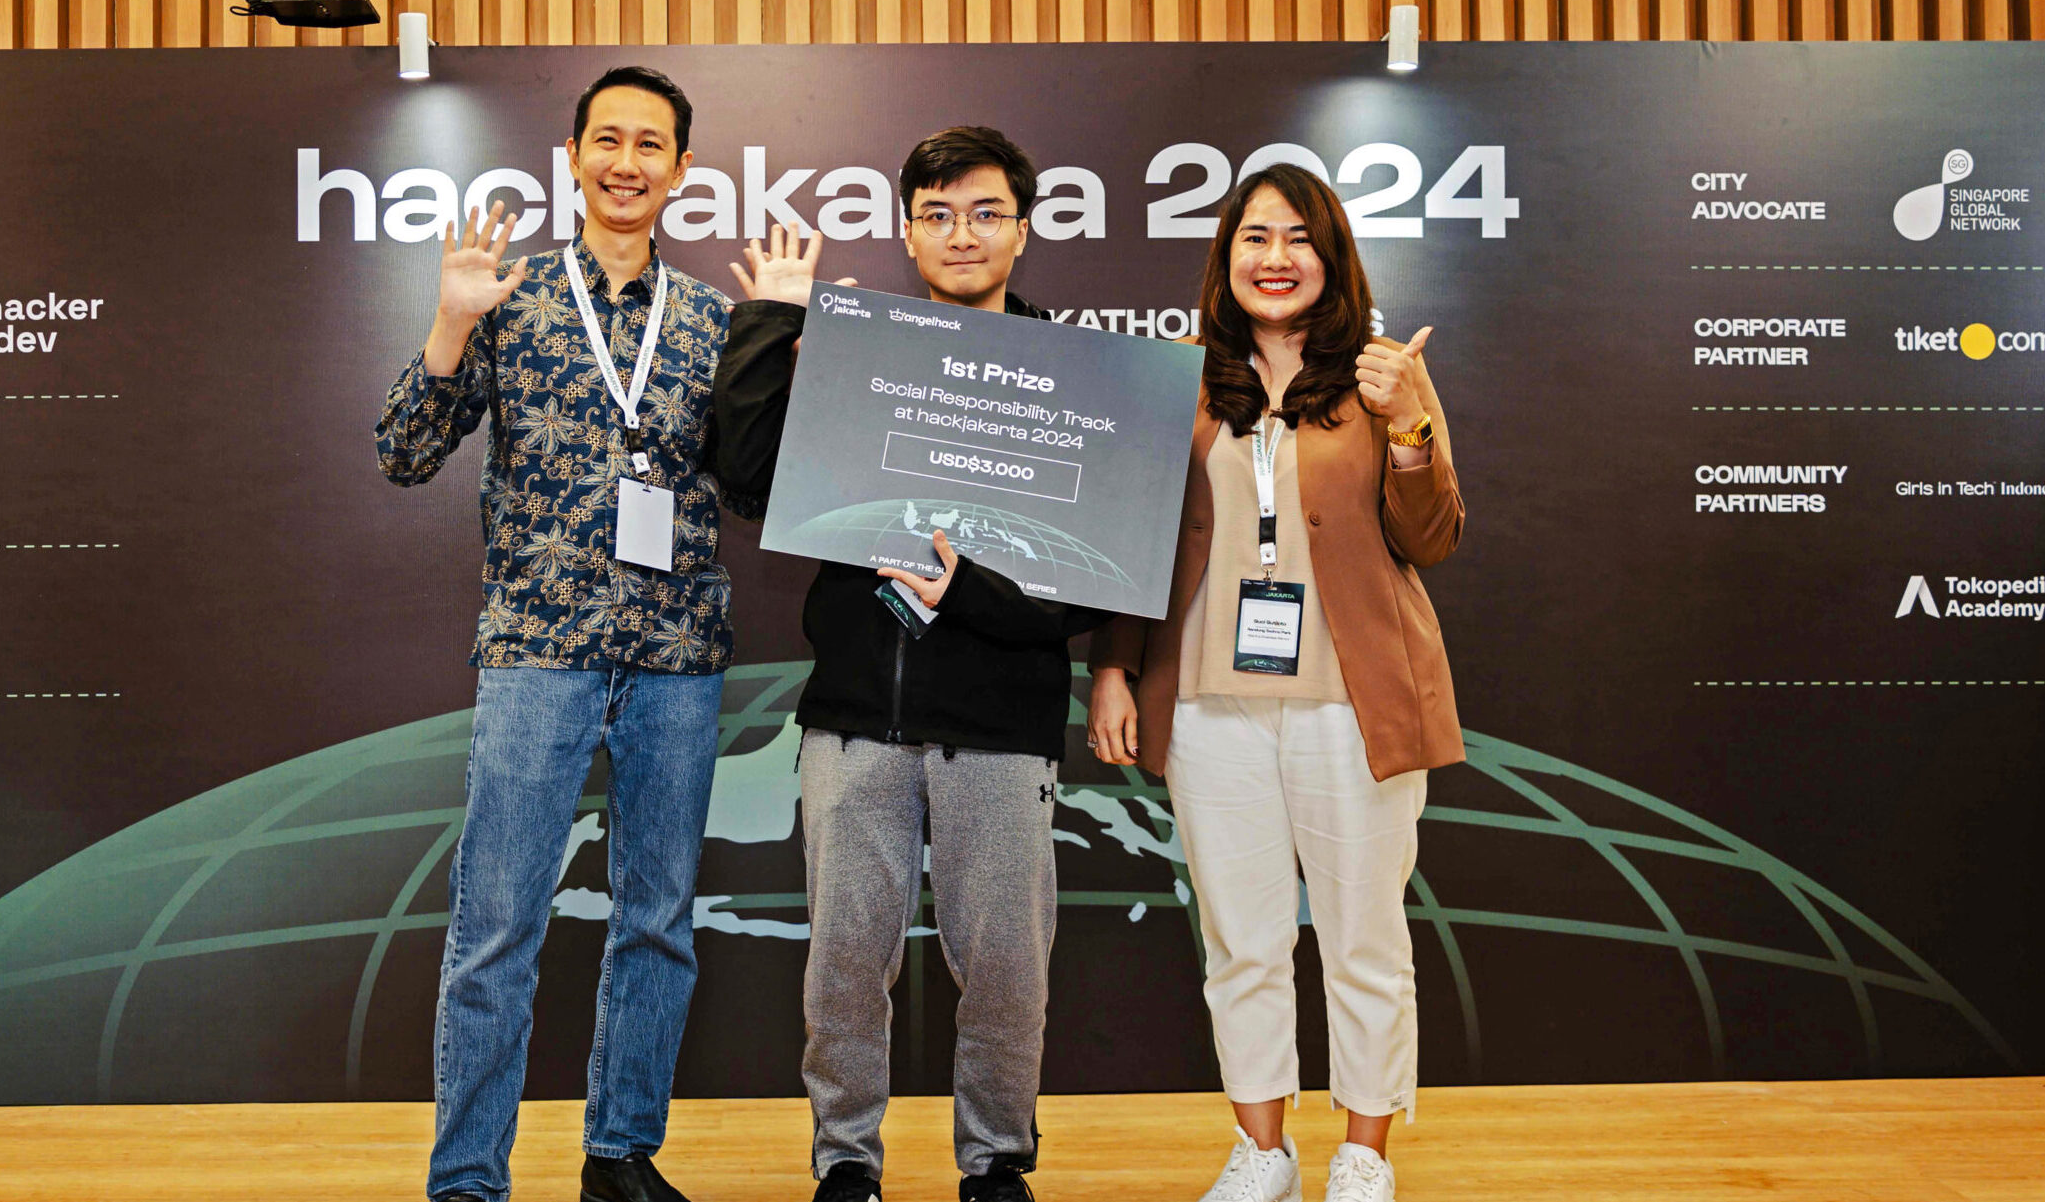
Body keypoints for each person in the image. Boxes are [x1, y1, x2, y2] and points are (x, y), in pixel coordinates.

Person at [376, 66, 761, 1202]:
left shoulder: (712, 321)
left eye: (650, 145)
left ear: (681, 169)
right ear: (573, 156)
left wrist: (778, 343)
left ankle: (620, 1156)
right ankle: (467, 1179)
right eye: (608, 140)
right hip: (537, 648)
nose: (626, 162)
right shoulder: (511, 296)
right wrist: (450, 322)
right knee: (496, 926)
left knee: (658, 920)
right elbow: (403, 453)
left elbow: (754, 491)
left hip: (676, 654)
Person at [713, 126, 1106, 1202]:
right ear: (907, 232)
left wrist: (966, 593)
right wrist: (772, 324)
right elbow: (745, 476)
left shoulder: (1078, 381)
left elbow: (1092, 585)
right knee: (843, 967)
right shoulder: (861, 357)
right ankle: (846, 1164)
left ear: (1023, 230)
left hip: (1002, 726)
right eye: (937, 214)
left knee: (1008, 970)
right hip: (854, 721)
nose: (960, 234)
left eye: (984, 213)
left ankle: (996, 1164)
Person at [1086, 163, 1462, 1202]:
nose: (1276, 257)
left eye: (1298, 237)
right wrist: (1113, 667)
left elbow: (1433, 536)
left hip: (1352, 704)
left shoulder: (1384, 375)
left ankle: (1363, 1154)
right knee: (1241, 941)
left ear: (1331, 256)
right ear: (1226, 257)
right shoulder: (1177, 378)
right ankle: (1264, 1151)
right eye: (1255, 236)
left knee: (1363, 939)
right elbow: (1131, 536)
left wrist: (1409, 426)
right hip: (1208, 704)